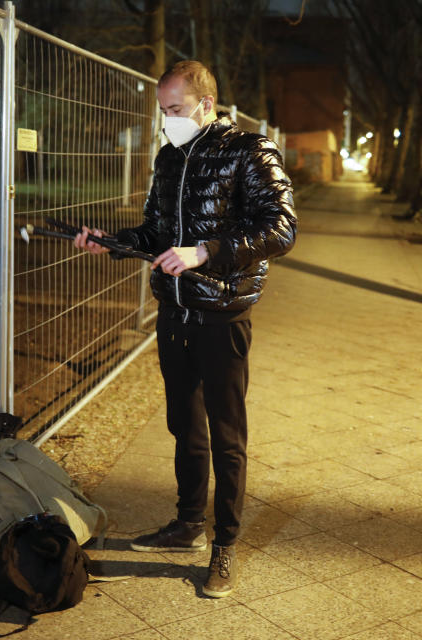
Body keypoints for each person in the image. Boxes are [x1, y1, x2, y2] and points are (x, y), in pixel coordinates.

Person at [74, 60, 296, 598]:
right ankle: (187, 524)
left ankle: (225, 544)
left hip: (223, 316)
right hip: (174, 316)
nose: (167, 120)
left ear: (204, 102)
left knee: (226, 434)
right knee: (184, 428)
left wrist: (206, 252)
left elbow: (281, 229)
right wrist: (115, 241)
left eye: (174, 110)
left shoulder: (251, 150)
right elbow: (155, 232)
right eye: (162, 111)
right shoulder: (169, 157)